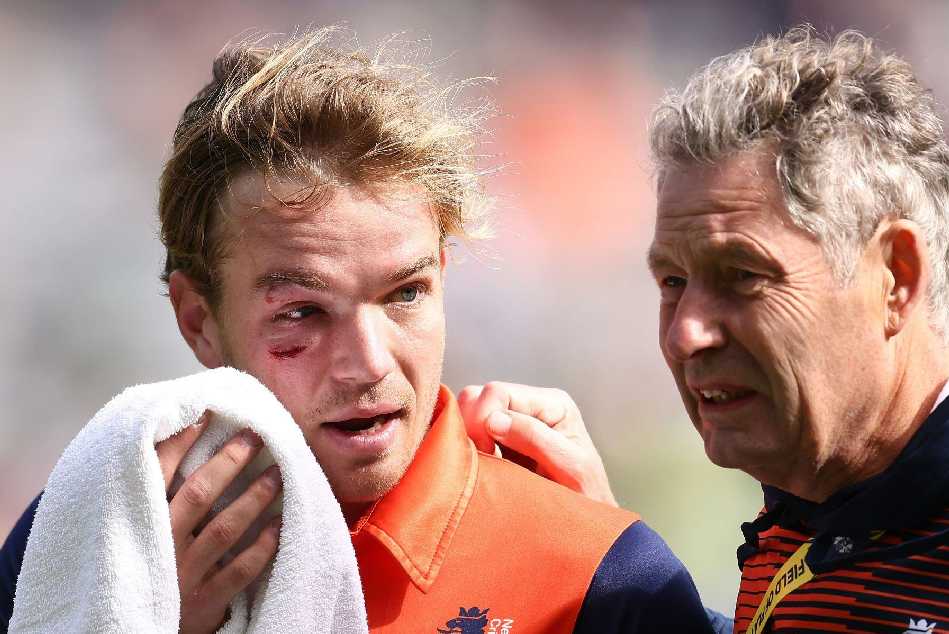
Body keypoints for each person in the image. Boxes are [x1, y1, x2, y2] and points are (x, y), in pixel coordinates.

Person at [0, 28, 719, 633]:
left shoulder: (604, 578)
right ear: (198, 320)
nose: (369, 363)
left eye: (405, 294)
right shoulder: (88, 536)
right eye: (302, 313)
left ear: (443, 275)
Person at [464, 26, 949, 631]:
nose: (684, 335)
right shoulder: (821, 499)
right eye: (673, 281)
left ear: (895, 277)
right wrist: (608, 556)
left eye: (743, 275)